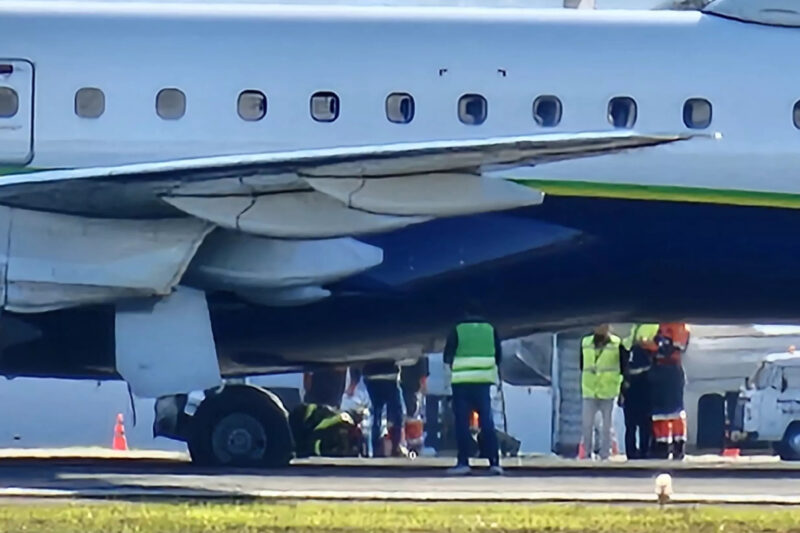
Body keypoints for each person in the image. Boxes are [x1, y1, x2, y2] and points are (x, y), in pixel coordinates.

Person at [443, 308, 503, 475]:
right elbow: (498, 356)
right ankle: (494, 462)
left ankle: (464, 462)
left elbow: (447, 356)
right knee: (487, 423)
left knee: (462, 424)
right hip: (483, 383)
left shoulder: (458, 329)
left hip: (462, 384)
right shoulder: (491, 329)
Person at [580, 324, 627, 460]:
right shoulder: (585, 342)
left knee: (607, 426)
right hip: (590, 390)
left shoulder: (617, 344)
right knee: (587, 425)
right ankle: (587, 454)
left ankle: (605, 455)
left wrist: (621, 387)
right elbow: (582, 364)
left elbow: (623, 366)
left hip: (608, 391)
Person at [649, 322, 690, 460]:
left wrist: (658, 345)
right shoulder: (654, 323)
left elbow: (678, 346)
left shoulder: (680, 325)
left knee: (676, 411)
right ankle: (662, 446)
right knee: (659, 413)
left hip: (672, 370)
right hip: (658, 369)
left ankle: (678, 446)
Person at [620, 324, 659, 459]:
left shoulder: (653, 328)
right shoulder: (629, 345)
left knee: (643, 424)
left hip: (641, 386)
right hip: (633, 388)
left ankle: (642, 451)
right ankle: (634, 452)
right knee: (633, 425)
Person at [349, 361, 404, 457]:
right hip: (389, 374)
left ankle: (376, 449)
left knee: (375, 414)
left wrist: (354, 379)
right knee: (396, 414)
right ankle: (395, 446)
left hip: (370, 374)